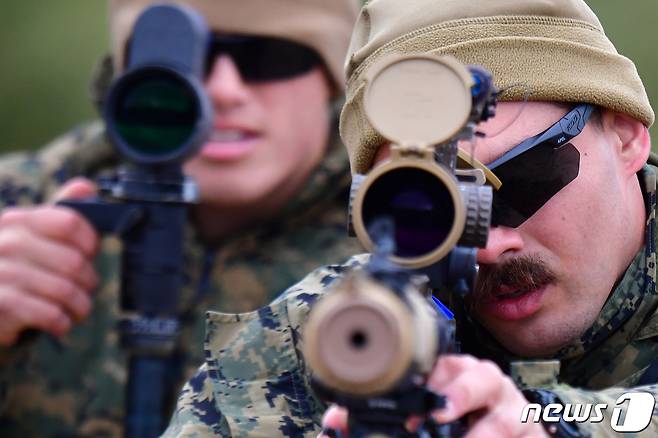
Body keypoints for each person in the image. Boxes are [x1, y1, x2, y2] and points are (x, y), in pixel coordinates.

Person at [164, 0, 658, 436]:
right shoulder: (330, 333)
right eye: (430, 209)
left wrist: (549, 425)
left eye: (527, 179)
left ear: (627, 135)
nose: (486, 245)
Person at [0, 0, 361, 436]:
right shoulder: (19, 204)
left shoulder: (405, 235)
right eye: (190, 57)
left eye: (269, 58)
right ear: (128, 73)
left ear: (332, 79)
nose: (224, 90)